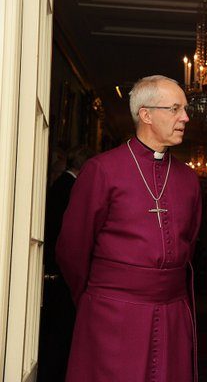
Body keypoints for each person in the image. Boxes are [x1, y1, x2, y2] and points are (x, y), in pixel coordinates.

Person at [56, 75, 202, 382]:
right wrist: (100, 299)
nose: (185, 117)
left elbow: (191, 242)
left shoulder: (188, 179)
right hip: (113, 315)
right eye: (175, 109)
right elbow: (73, 249)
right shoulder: (102, 170)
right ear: (146, 114)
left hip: (172, 312)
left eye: (185, 109)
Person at [38, 145, 94, 381]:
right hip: (60, 269)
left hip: (54, 265)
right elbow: (71, 236)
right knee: (59, 334)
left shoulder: (62, 184)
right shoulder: (71, 188)